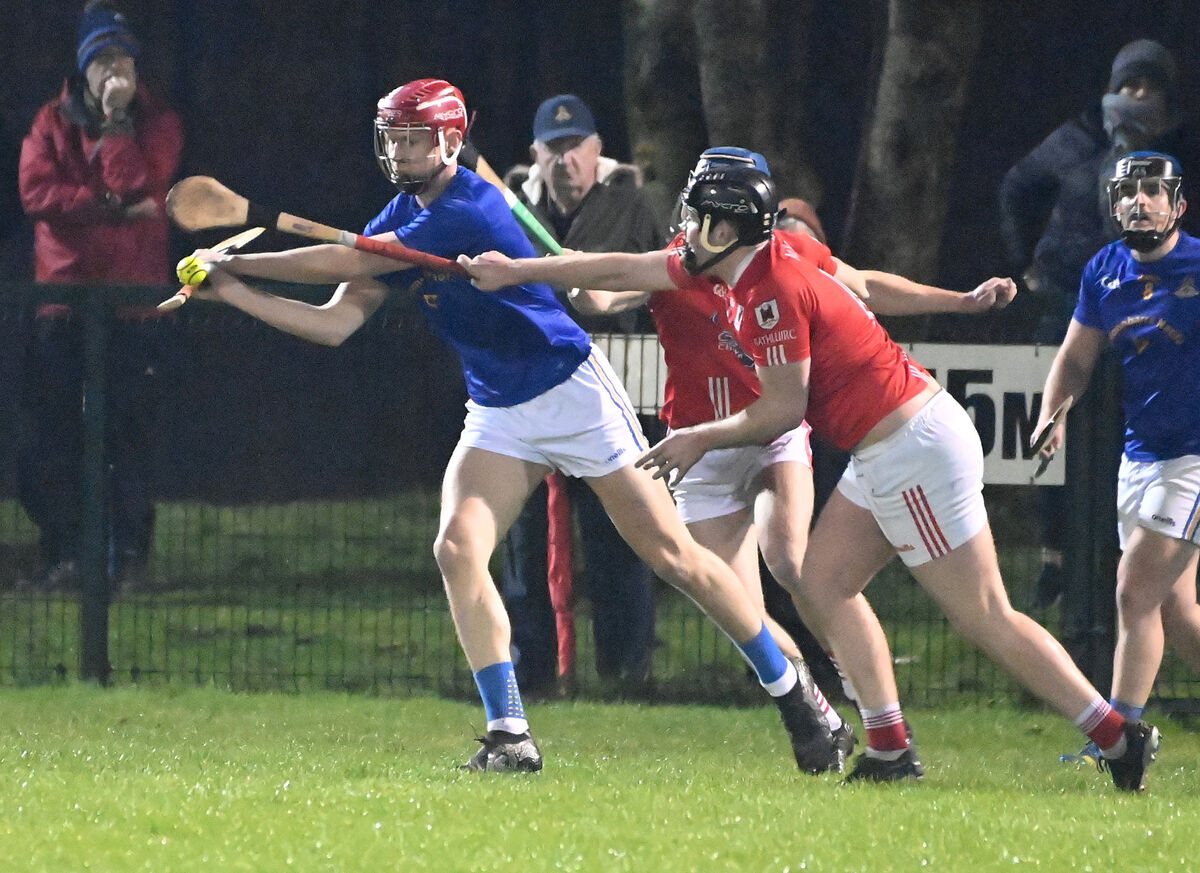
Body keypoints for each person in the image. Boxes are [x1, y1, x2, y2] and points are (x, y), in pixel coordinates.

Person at [180, 79, 839, 774]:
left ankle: (800, 697)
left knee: (675, 559)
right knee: (456, 547)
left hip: (571, 394)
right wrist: (235, 291)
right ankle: (509, 733)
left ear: (451, 142)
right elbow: (335, 321)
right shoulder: (401, 215)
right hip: (498, 409)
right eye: (393, 139)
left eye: (414, 140)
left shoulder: (469, 205)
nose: (400, 153)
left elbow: (350, 260)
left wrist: (238, 259)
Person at [461, 161, 1161, 792]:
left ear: (728, 228)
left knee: (984, 613)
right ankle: (889, 746)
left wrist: (699, 437)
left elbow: (782, 410)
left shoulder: (769, 292)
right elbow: (618, 270)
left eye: (698, 218)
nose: (685, 230)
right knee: (823, 582)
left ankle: (1116, 735)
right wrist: (516, 271)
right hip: (884, 447)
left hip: (910, 447)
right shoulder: (743, 260)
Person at [570, 148, 1018, 717]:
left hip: (769, 432)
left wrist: (960, 302)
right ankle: (816, 711)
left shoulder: (785, 259)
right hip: (700, 449)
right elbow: (601, 297)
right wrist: (577, 279)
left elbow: (865, 286)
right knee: (742, 616)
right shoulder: (678, 263)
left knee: (790, 562)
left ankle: (855, 678)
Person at [1000, 38, 1196, 609]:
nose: (1135, 98)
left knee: (1128, 446)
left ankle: (1113, 571)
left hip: (1155, 331)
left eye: (1149, 88)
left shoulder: (1180, 157)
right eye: (1127, 86)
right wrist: (1029, 264)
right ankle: (1059, 563)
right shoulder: (1078, 140)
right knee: (1061, 440)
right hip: (1075, 305)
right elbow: (1018, 187)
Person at [1036, 151, 1200, 764]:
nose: (1140, 200)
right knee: (1174, 612)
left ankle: (1119, 739)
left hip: (1193, 460)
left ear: (1178, 205)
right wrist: (1053, 414)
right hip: (1140, 458)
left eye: (1153, 190)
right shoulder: (1104, 269)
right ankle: (1120, 737)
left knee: (1132, 591)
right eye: (1128, 191)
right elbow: (1075, 359)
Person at [500, 94, 665, 696]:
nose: (565, 161)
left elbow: (668, 281)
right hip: (532, 396)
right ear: (536, 155)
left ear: (597, 151)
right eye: (554, 149)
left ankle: (627, 674)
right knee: (525, 543)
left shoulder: (636, 207)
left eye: (576, 148)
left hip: (611, 396)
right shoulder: (512, 212)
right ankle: (532, 674)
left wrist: (611, 298)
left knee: (620, 538)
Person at [16, 1, 183, 593]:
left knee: (128, 435)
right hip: (64, 303)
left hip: (132, 304)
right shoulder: (50, 122)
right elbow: (36, 195)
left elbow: (139, 187)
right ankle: (66, 554)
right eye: (104, 60)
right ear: (83, 68)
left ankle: (128, 559)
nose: (117, 71)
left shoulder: (157, 122)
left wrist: (115, 127)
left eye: (125, 60)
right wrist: (105, 207)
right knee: (53, 435)